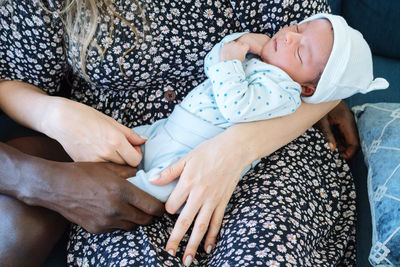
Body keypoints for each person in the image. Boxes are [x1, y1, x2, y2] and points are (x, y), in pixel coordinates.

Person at [0, 0, 361, 266]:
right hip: (136, 144)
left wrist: (233, 150)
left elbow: (329, 73)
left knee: (267, 252)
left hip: (273, 139)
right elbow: (10, 76)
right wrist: (55, 113)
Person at [127, 13, 388, 203]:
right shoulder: (262, 59)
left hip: (190, 150)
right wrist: (240, 42)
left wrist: (231, 60)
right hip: (169, 126)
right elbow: (212, 65)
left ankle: (132, 195)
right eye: (298, 27)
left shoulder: (285, 92)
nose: (288, 37)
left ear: (307, 89)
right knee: (124, 141)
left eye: (299, 52)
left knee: (155, 188)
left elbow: (236, 108)